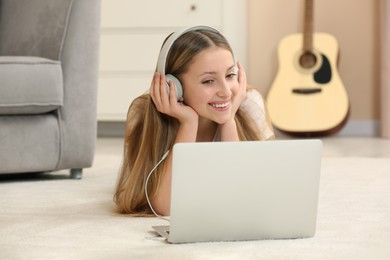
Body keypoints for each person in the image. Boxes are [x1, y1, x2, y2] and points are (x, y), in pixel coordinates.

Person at [114, 26, 274, 216]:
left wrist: (228, 121)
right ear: (174, 86)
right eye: (208, 81)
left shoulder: (249, 104)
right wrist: (188, 124)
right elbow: (167, 207)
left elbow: (241, 196)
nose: (225, 92)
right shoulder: (143, 114)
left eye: (230, 75)